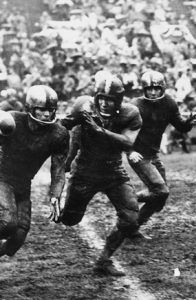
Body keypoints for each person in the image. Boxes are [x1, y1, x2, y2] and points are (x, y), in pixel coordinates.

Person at [59, 71, 142, 276]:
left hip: (113, 170)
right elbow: (64, 127)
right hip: (85, 171)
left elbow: (128, 142)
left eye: (110, 100)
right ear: (96, 97)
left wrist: (99, 131)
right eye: (102, 98)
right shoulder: (84, 106)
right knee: (70, 220)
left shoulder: (130, 113)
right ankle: (63, 203)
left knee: (131, 219)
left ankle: (104, 261)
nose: (105, 104)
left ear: (119, 101)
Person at [127, 70, 196, 236]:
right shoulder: (135, 106)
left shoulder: (168, 103)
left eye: (157, 88)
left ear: (163, 89)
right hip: (138, 154)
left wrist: (189, 122)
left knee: (159, 200)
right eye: (149, 89)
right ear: (143, 89)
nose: (153, 92)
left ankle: (131, 226)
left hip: (153, 154)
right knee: (161, 191)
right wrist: (129, 150)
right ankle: (126, 198)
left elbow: (180, 125)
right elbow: (122, 131)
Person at [0, 85, 69, 257]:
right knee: (7, 223)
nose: (47, 114)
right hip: (2, 178)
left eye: (50, 110)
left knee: (19, 235)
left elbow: (59, 169)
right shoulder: (13, 120)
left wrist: (55, 194)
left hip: (23, 184)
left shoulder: (58, 134)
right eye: (42, 110)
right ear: (30, 108)